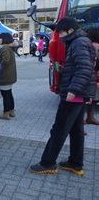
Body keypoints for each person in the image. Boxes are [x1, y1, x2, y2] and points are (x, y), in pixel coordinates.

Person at [30, 17, 95, 175]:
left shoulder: (78, 43)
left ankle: (48, 163)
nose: (59, 36)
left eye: (61, 33)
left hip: (74, 94)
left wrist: (73, 89)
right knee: (76, 129)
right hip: (79, 94)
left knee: (59, 129)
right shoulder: (81, 41)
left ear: (71, 31)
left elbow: (84, 68)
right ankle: (75, 163)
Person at [0, 32, 17, 120]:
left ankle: (6, 113)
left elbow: (5, 60)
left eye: (0, 38)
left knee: (6, 95)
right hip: (10, 75)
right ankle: (11, 111)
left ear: (4, 39)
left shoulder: (5, 48)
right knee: (9, 93)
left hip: (5, 76)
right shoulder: (10, 48)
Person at [84, 27, 99, 126]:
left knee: (88, 99)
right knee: (90, 98)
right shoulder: (95, 48)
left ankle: (89, 117)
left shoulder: (87, 46)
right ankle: (89, 117)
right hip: (92, 77)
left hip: (88, 76)